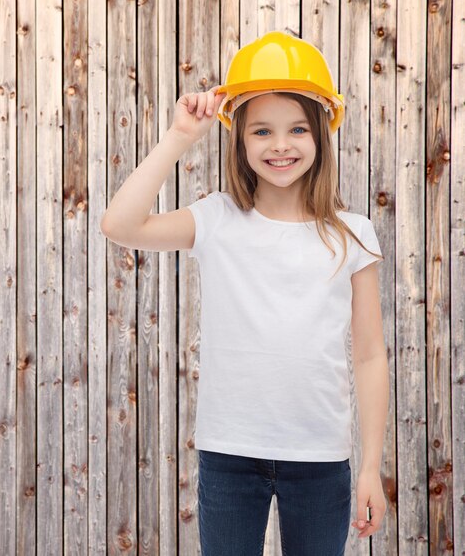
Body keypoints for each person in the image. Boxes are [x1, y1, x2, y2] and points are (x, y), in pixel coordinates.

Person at [100, 30, 389, 556]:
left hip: (322, 458)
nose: (280, 145)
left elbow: (370, 356)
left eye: (298, 129)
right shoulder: (217, 219)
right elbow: (119, 224)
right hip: (230, 456)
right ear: (239, 140)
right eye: (262, 131)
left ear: (322, 135)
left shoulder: (352, 233)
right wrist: (179, 136)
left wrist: (370, 467)